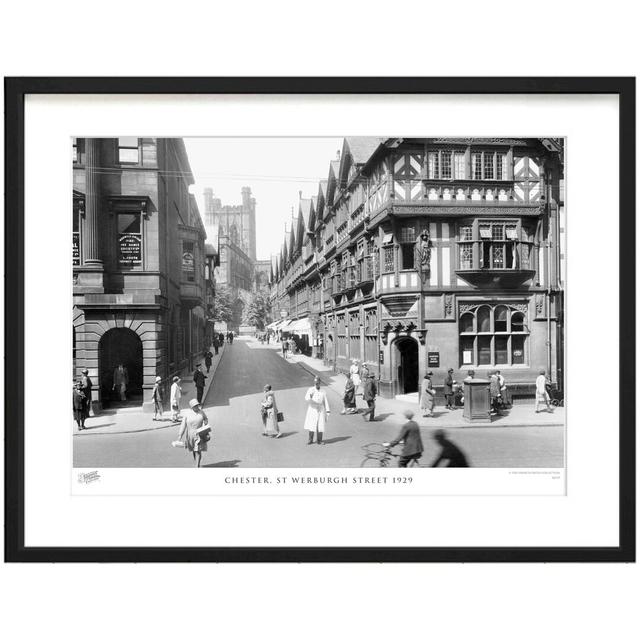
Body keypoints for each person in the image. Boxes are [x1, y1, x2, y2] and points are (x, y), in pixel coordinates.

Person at [177, 398, 211, 467]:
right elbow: (183, 425)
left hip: (199, 434)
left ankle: (197, 466)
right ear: (192, 407)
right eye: (195, 406)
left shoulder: (201, 412)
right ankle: (196, 462)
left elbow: (205, 419)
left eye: (197, 405)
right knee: (193, 450)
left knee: (198, 450)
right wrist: (180, 435)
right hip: (190, 435)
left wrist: (206, 423)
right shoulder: (187, 414)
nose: (197, 407)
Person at [303, 377, 331, 444]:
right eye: (315, 383)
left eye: (317, 383)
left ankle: (319, 440)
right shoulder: (311, 389)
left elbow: (325, 401)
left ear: (320, 383)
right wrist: (310, 395)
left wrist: (327, 410)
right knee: (312, 424)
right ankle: (310, 439)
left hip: (320, 409)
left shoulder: (323, 391)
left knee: (320, 425)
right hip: (313, 409)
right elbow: (306, 398)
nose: (316, 384)